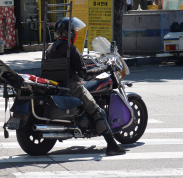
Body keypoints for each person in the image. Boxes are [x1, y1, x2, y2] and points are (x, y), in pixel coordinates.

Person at [45, 17, 126, 156]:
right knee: (96, 110)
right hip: (72, 86)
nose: (76, 33)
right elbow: (85, 75)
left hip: (55, 86)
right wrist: (104, 68)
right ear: (69, 33)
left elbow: (74, 67)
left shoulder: (49, 49)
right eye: (74, 31)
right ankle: (112, 146)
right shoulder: (71, 49)